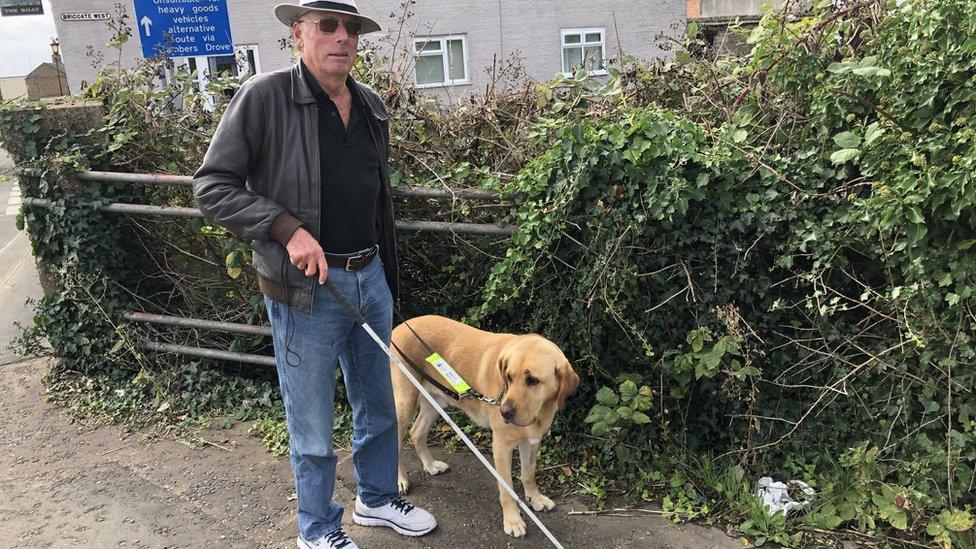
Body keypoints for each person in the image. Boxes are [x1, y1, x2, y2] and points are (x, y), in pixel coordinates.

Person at [192, 1, 437, 547]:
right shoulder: (264, 97)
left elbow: (377, 201)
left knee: (378, 403)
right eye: (327, 26)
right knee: (312, 424)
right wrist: (285, 228)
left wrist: (387, 278)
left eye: (350, 28)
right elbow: (211, 188)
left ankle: (374, 500)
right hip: (305, 292)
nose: (342, 37)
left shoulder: (371, 105)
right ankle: (317, 528)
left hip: (369, 277)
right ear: (298, 34)